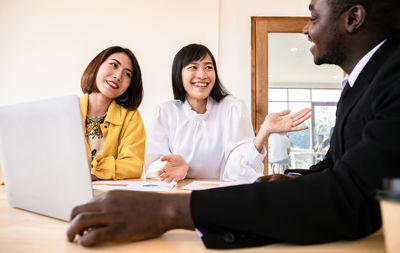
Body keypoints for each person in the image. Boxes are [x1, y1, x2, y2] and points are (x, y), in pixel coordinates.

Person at [67, 0, 400, 249]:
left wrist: (171, 210)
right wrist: (285, 179)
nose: (306, 28)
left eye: (313, 17)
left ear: (353, 18)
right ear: (179, 74)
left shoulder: (390, 77)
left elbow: (346, 193)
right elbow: (336, 169)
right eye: (192, 68)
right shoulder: (358, 86)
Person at [144, 44, 311, 182]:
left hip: (222, 198)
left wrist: (263, 132)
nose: (202, 75)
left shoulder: (232, 108)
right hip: (178, 197)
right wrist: (176, 168)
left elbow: (237, 169)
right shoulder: (165, 112)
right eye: (193, 67)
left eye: (208, 67)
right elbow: (152, 164)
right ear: (178, 74)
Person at [79, 46, 146, 180]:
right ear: (97, 66)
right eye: (114, 65)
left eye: (127, 74)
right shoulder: (68, 109)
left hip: (109, 197)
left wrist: (93, 174)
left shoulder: (131, 116)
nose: (118, 76)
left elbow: (133, 166)